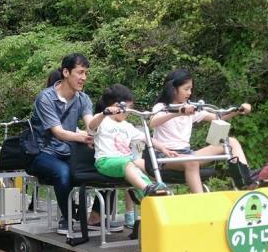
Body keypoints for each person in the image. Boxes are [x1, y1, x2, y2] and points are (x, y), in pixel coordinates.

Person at [149, 68, 268, 192]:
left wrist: (238, 110)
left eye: (191, 89)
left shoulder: (191, 108)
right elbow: (153, 123)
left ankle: (246, 180)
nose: (189, 93)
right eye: (186, 89)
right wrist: (178, 112)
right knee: (191, 162)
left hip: (187, 154)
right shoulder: (161, 107)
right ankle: (202, 202)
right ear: (173, 89)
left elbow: (216, 117)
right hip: (165, 157)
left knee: (231, 142)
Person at [87, 84, 175, 227]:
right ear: (116, 106)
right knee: (129, 163)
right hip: (106, 161)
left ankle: (155, 192)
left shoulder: (127, 125)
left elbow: (146, 138)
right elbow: (91, 126)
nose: (127, 112)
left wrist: (163, 148)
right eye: (126, 109)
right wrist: (105, 113)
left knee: (141, 164)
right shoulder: (102, 120)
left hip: (127, 162)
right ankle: (147, 189)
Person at [27, 53, 94, 234]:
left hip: (67, 151)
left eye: (86, 73)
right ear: (66, 72)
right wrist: (85, 138)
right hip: (41, 153)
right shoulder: (45, 98)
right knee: (63, 172)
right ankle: (67, 217)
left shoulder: (83, 99)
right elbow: (58, 132)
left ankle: (95, 215)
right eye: (80, 73)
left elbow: (90, 125)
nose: (84, 78)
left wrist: (101, 126)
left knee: (104, 166)